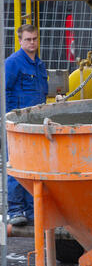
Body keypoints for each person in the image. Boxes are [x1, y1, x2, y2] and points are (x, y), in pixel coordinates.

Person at [5, 24, 48, 226]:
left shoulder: (39, 65)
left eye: (35, 39)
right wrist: (9, 118)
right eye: (28, 39)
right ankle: (15, 211)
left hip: (36, 124)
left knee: (35, 168)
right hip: (18, 125)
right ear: (20, 40)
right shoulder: (13, 63)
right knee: (17, 167)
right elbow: (3, 91)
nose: (32, 42)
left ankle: (33, 211)